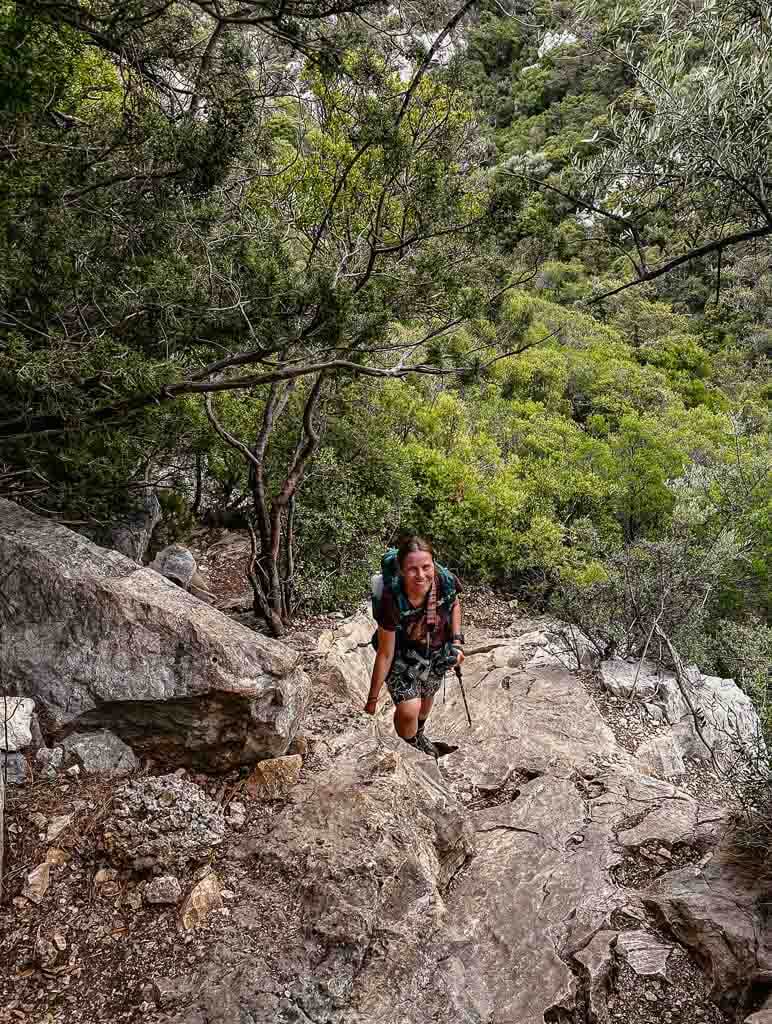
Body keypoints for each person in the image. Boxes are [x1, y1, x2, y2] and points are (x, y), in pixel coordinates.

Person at [364, 536, 464, 757]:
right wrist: (372, 699)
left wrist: (456, 642)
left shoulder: (444, 580)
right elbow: (386, 652)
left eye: (426, 567)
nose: (421, 575)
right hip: (402, 653)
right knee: (409, 710)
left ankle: (419, 735)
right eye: (412, 569)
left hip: (437, 650)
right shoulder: (393, 598)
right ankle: (412, 748)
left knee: (427, 698)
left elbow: (454, 602)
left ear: (434, 565)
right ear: (401, 569)